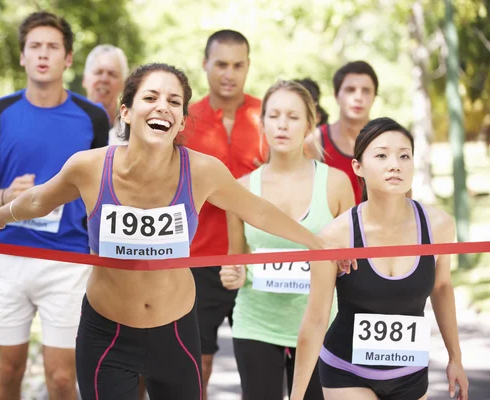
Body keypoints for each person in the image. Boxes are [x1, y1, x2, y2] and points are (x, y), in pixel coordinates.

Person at [0, 63, 354, 400]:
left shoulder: (202, 171)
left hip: (176, 334)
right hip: (106, 334)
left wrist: (318, 244)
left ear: (182, 121)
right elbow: (38, 201)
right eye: (150, 97)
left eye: (174, 101)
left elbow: (259, 212)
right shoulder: (89, 167)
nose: (162, 106)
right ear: (127, 111)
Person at [0, 11, 109, 400]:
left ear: (68, 58)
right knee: (8, 370)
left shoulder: (93, 118)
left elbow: (103, 192)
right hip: (6, 258)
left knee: (62, 378)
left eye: (53, 47)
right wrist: (7, 197)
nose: (43, 54)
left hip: (68, 262)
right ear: (23, 57)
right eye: (35, 47)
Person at [291, 117, 469, 400]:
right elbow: (315, 318)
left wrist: (455, 358)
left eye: (404, 155)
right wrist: (297, 395)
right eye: (382, 155)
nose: (395, 164)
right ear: (357, 167)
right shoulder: (336, 235)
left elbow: (442, 287)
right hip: (345, 371)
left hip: (410, 373)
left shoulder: (440, 226)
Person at [219, 80, 354, 400]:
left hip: (323, 325)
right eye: (274, 115)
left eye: (293, 117)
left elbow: (352, 264)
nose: (282, 124)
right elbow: (236, 259)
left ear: (310, 124)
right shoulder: (239, 187)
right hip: (256, 324)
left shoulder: (336, 184)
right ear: (261, 122)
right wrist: (231, 273)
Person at [184, 29, 267, 397]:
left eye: (237, 65)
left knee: (262, 366)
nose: (229, 73)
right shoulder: (185, 119)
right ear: (205, 65)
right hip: (198, 262)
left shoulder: (269, 116)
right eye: (220, 64)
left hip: (260, 261)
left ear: (248, 66)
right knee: (195, 365)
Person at [305, 61, 379, 204]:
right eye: (350, 90)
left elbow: (403, 200)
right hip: (331, 225)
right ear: (336, 95)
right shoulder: (314, 142)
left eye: (366, 90)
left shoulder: (387, 140)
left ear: (374, 96)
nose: (358, 97)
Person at [83, 44, 129, 145]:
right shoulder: (67, 125)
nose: (104, 79)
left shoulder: (131, 137)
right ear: (84, 79)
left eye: (112, 74)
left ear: (124, 84)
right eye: (98, 72)